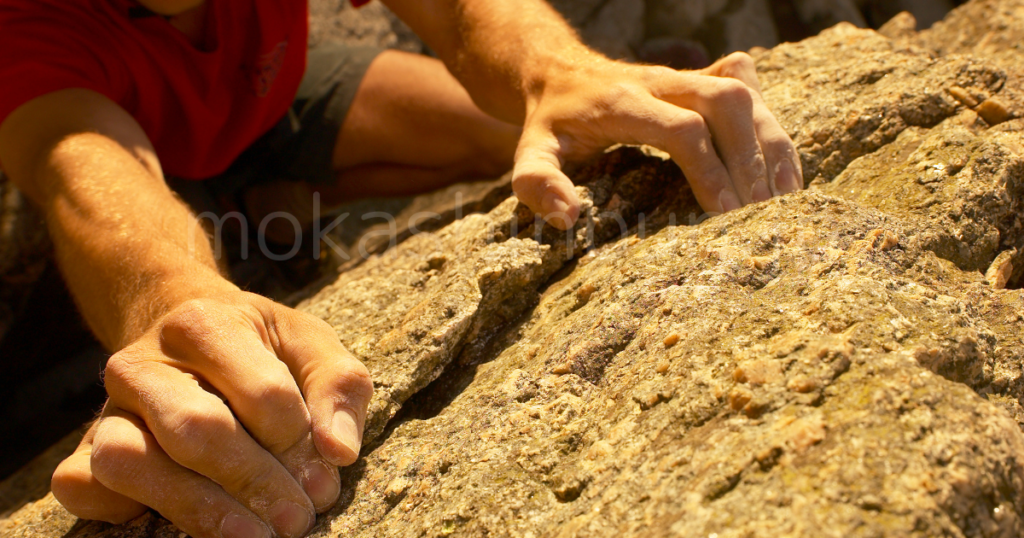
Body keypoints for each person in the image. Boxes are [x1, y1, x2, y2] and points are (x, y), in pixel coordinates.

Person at [0, 0, 802, 537]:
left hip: (275, 92)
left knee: (539, 136)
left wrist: (555, 70)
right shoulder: (24, 24)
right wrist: (172, 298)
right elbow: (79, 167)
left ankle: (271, 193)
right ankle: (244, 201)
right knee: (185, 217)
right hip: (141, 133)